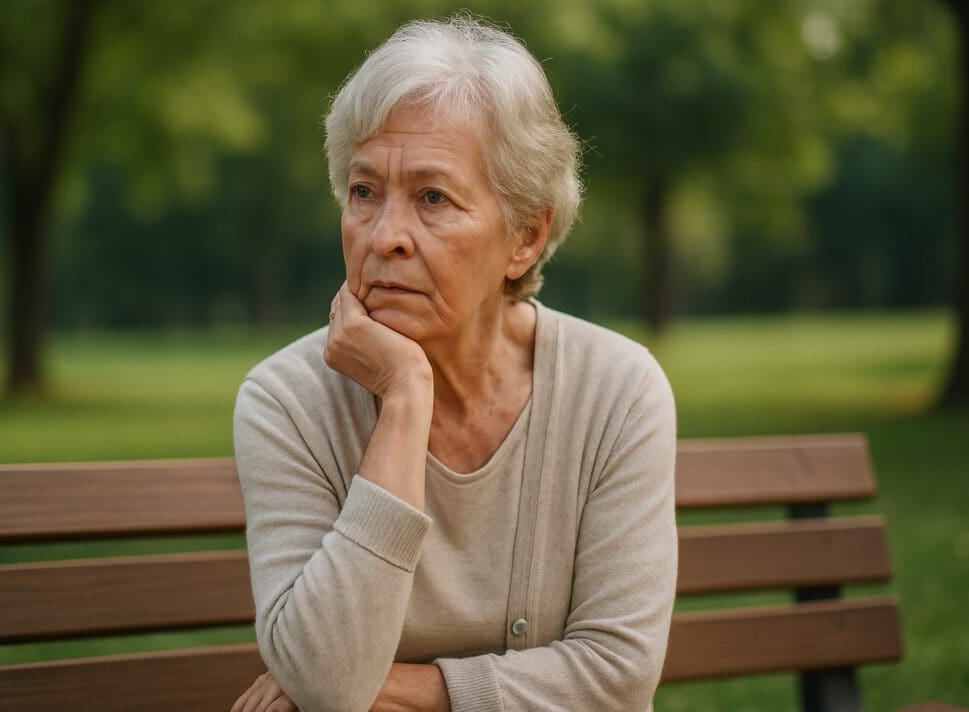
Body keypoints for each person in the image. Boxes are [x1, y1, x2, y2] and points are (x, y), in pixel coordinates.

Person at [231, 15, 677, 712]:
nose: (385, 237)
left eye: (432, 198)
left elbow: (617, 677)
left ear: (525, 237)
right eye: (364, 191)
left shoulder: (617, 392)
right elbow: (327, 677)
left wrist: (405, 692)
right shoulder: (285, 403)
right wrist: (406, 399)